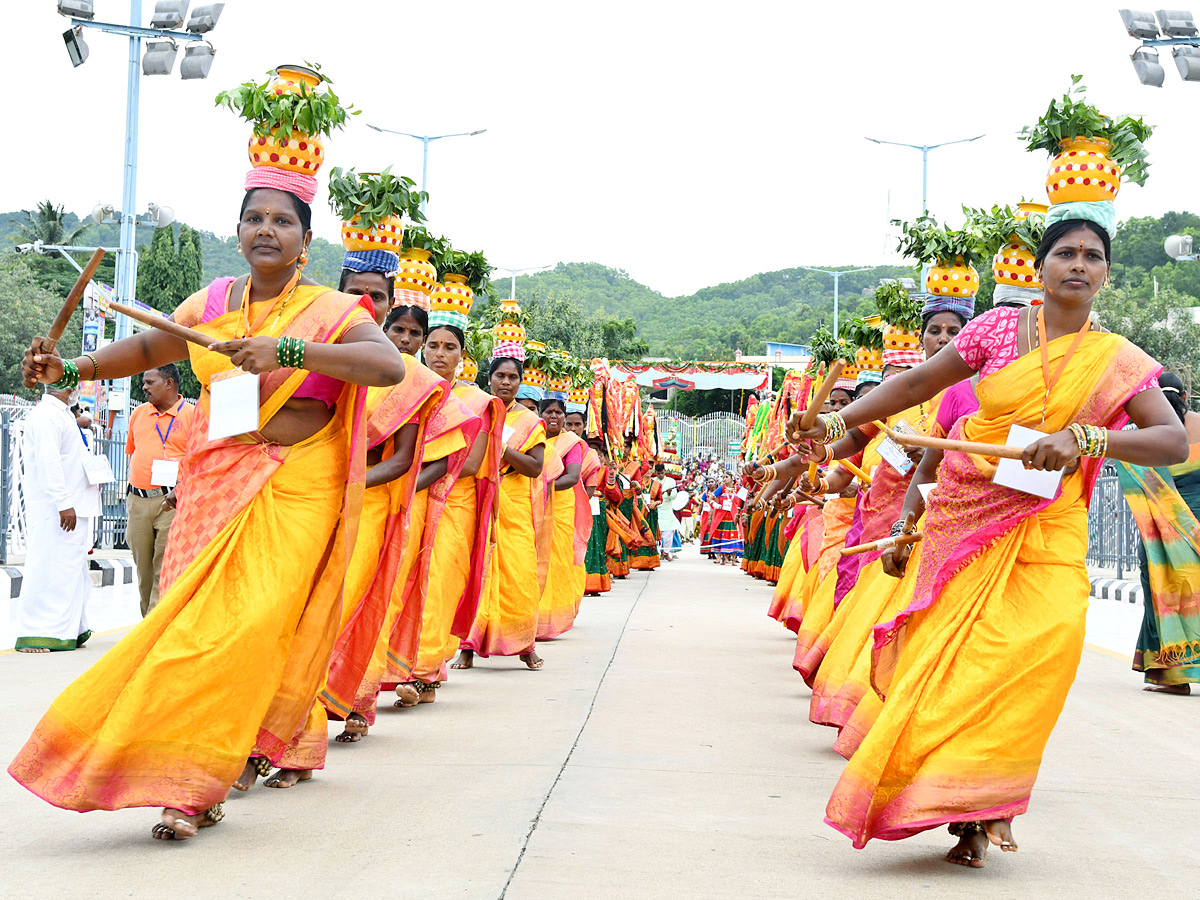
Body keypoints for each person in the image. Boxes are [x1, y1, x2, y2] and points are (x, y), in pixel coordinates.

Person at [10, 174, 406, 840]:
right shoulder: (213, 300)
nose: (266, 229)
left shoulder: (333, 310)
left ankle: (202, 778)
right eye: (255, 218)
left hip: (296, 487)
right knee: (188, 635)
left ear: (306, 240)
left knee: (246, 628)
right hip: (216, 477)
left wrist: (289, 351)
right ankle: (186, 780)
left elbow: (387, 366)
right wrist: (73, 371)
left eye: (283, 221)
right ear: (239, 230)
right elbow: (145, 348)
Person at [793, 211, 1187, 865]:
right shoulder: (999, 328)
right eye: (1066, 252)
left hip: (1048, 530)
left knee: (1040, 656)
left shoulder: (1117, 360)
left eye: (1093, 255)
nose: (1079, 263)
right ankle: (967, 810)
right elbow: (919, 383)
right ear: (1041, 268)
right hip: (968, 519)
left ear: (1107, 275)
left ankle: (990, 797)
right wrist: (839, 424)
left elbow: (1171, 439)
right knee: (959, 666)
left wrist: (1090, 438)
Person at [410, 321, 504, 699]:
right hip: (408, 497)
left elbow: (469, 462)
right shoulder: (408, 390)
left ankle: (424, 669)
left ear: (463, 357)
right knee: (403, 581)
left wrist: (410, 465)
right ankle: (400, 666)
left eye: (450, 347)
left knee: (439, 583)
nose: (439, 354)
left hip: (454, 501)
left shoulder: (476, 402)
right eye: (433, 345)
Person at [453, 355, 561, 670]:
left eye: (512, 377)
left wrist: (502, 449)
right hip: (478, 495)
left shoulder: (530, 422)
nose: (505, 382)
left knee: (519, 574)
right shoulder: (475, 410)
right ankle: (467, 646)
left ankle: (525, 645)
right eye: (500, 376)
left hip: (514, 502)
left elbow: (535, 467)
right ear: (490, 378)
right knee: (477, 572)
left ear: (519, 382)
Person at [1116, 371, 1200, 693]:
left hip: (1162, 535)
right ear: (1186, 397)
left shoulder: (1148, 435)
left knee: (1162, 593)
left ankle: (1173, 676)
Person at [14, 385, 99, 652]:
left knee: (72, 572)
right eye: (74, 385)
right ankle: (37, 633)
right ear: (66, 387)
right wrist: (64, 504)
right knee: (48, 568)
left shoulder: (62, 414)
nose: (76, 390)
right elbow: (48, 463)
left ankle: (71, 630)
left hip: (74, 508)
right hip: (58, 511)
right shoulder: (45, 416)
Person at [124, 364, 195, 616]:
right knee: (143, 571)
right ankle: (148, 623)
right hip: (138, 500)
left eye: (149, 382)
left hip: (172, 502)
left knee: (163, 567)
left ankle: (155, 628)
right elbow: (133, 452)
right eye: (143, 382)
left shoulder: (193, 416)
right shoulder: (139, 414)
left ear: (169, 384)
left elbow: (198, 461)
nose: (144, 387)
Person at [536, 396, 593, 639]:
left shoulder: (571, 443)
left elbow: (571, 477)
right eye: (549, 411)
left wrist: (540, 488)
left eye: (559, 412)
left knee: (556, 560)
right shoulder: (531, 436)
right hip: (530, 505)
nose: (554, 416)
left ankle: (550, 619)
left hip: (559, 507)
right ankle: (530, 614)